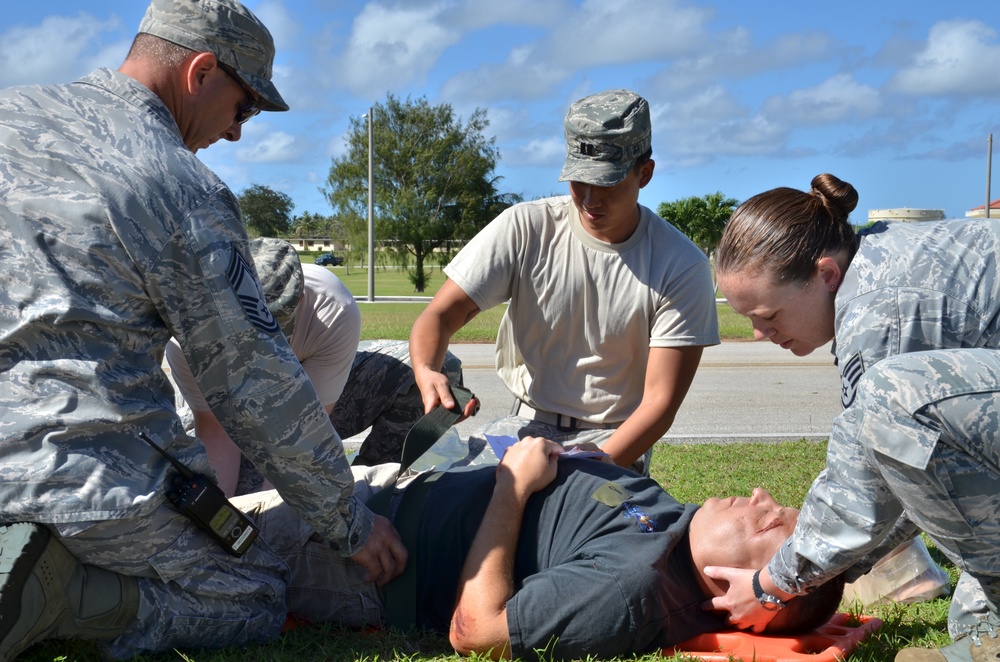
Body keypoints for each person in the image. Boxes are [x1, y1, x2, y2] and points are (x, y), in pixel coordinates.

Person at [0, 1, 403, 659]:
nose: (237, 134)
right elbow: (255, 384)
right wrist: (350, 522)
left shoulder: (8, 117)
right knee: (254, 595)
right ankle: (67, 594)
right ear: (202, 71)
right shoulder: (178, 186)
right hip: (90, 483)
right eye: (243, 109)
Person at [708, 173, 1000, 662]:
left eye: (770, 316)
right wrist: (834, 567)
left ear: (825, 276)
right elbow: (912, 475)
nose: (759, 334)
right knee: (975, 616)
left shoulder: (879, 312)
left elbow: (864, 485)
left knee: (890, 398)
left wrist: (771, 584)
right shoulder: (878, 270)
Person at [260, 437, 845, 660]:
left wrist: (513, 489)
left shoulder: (629, 587)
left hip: (362, 550)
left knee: (184, 523)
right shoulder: (673, 524)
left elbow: (477, 633)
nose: (761, 496)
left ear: (732, 585)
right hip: (395, 484)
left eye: (771, 523)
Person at [409, 89, 720, 475]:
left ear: (645, 173)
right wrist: (426, 369)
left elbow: (658, 406)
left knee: (583, 527)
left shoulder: (680, 265)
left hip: (614, 440)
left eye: (607, 183)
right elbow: (440, 315)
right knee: (446, 506)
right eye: (578, 181)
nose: (589, 200)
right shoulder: (525, 227)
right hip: (524, 425)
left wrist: (580, 471)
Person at [165, 237, 466, 496]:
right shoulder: (190, 339)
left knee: (439, 370)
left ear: (300, 300)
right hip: (236, 415)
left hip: (303, 400)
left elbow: (305, 432)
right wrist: (228, 516)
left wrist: (278, 511)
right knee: (221, 497)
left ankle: (366, 490)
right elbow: (216, 431)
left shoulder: (332, 308)